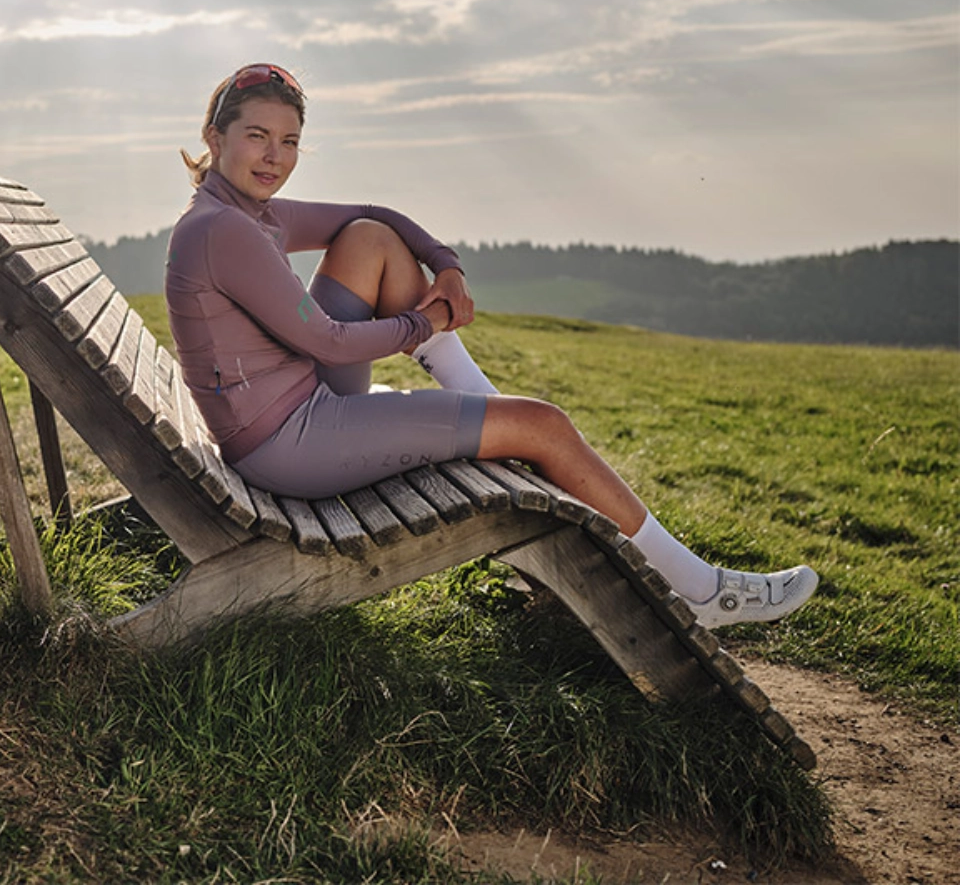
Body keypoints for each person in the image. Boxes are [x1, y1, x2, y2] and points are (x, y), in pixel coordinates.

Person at [164, 63, 817, 628]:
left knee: (368, 239)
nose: (274, 156)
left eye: (289, 142)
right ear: (214, 138)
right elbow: (329, 342)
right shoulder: (226, 230)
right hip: (291, 445)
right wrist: (429, 322)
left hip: (299, 408)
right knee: (543, 425)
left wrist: (446, 267)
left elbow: (376, 215)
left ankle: (486, 411)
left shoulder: (251, 213)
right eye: (256, 137)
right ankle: (703, 592)